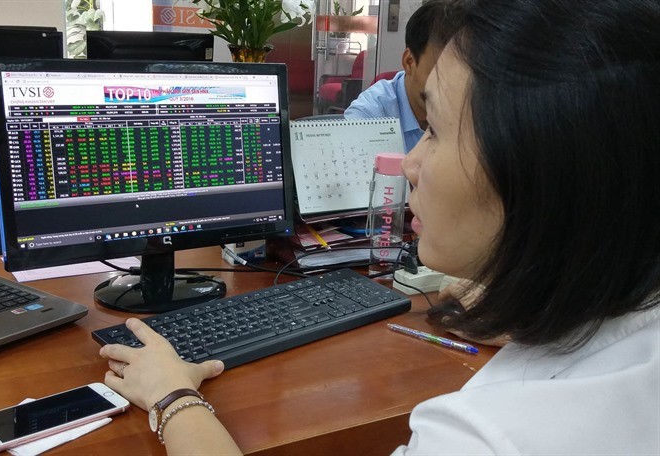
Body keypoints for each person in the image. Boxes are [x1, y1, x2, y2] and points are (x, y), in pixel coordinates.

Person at [99, 0, 660, 454]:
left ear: (538, 170)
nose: (409, 163)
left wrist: (172, 396)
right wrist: (532, 318)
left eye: (434, 129)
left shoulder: (485, 439)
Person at [343, 0, 464, 152]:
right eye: (441, 73)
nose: (451, 86)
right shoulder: (370, 116)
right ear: (409, 62)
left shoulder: (472, 110)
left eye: (462, 76)